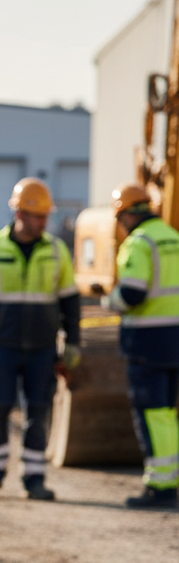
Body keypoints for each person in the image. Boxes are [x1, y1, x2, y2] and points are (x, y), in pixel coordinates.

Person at [0, 177, 81, 501]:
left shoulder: (56, 250)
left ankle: (34, 480)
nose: (43, 223)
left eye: (45, 217)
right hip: (2, 348)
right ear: (19, 214)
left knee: (38, 415)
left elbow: (70, 301)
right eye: (37, 217)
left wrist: (72, 342)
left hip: (42, 350)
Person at [108, 183, 179, 508]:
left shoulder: (139, 242)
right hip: (173, 341)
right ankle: (169, 480)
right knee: (166, 414)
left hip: (148, 344)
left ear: (125, 216)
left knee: (152, 414)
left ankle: (160, 485)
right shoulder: (172, 236)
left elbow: (132, 293)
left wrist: (110, 300)